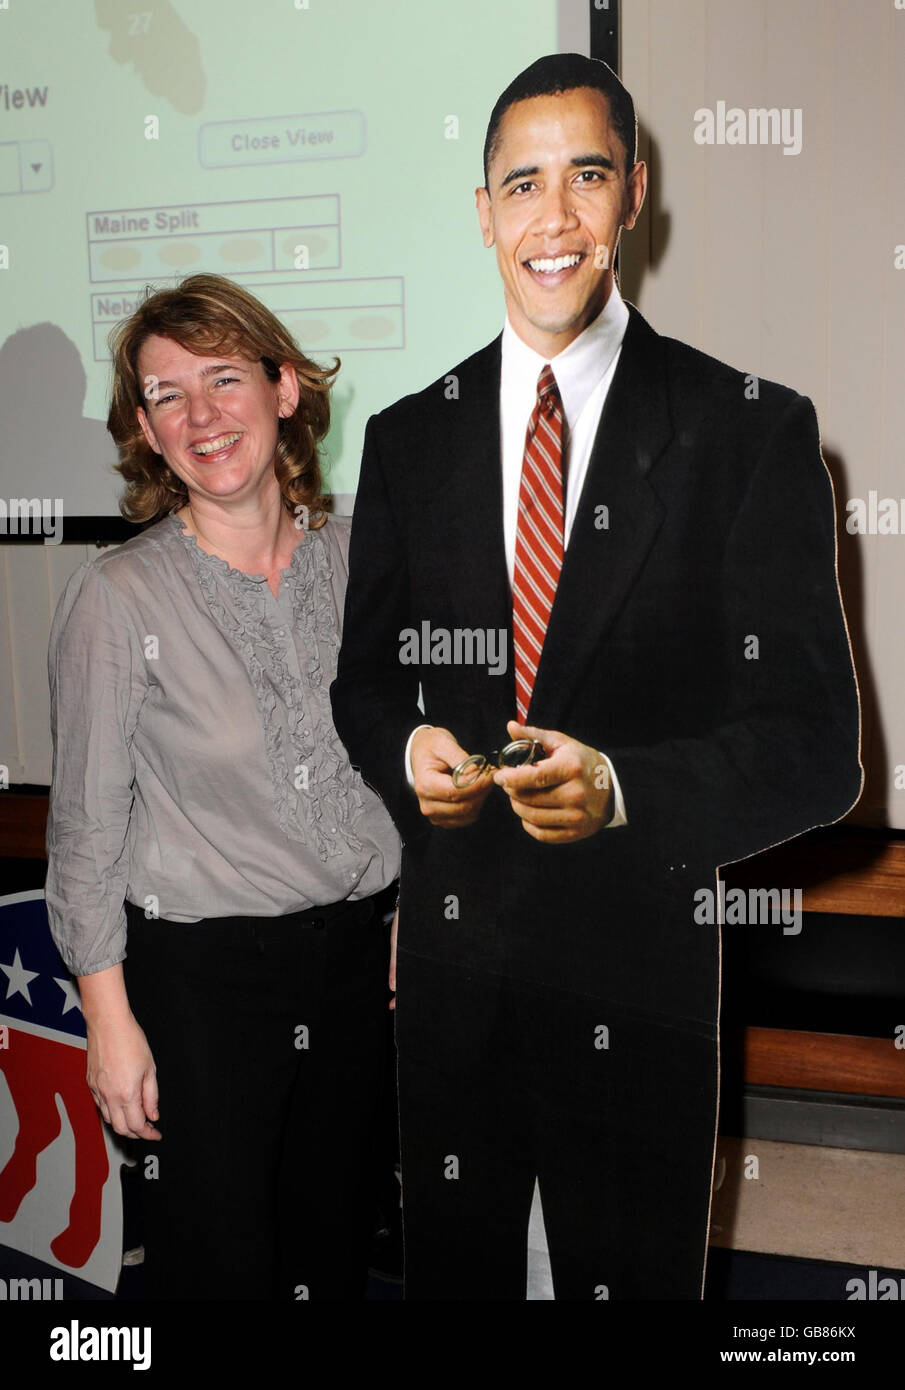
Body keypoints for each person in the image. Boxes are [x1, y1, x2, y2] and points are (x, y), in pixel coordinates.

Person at [330, 54, 862, 1300]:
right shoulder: (408, 440)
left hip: (640, 992)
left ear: (635, 193)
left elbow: (814, 747)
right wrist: (404, 755)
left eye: (585, 177)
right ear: (482, 212)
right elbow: (362, 685)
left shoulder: (748, 431)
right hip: (453, 997)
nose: (552, 217)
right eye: (522, 184)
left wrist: (623, 789)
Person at [45, 273, 401, 1300]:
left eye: (222, 378)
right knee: (221, 1268)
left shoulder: (363, 564)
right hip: (201, 991)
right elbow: (84, 834)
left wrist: (402, 930)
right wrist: (108, 1025)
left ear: (284, 389)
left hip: (349, 976)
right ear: (146, 433)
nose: (200, 416)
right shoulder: (117, 597)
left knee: (332, 1252)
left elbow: (400, 768)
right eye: (165, 395)